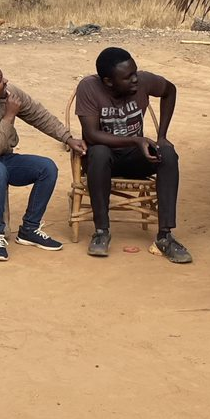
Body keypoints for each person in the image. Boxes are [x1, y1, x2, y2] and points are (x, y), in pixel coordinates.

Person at [0, 62, 87, 261]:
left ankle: (30, 229)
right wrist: (9, 116)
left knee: (47, 168)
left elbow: (38, 115)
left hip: (3, 160)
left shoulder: (8, 94)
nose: (6, 81)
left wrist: (67, 138)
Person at [74, 47, 191, 263]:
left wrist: (162, 135)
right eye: (128, 77)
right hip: (104, 159)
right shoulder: (89, 88)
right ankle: (101, 232)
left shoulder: (143, 82)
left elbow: (170, 90)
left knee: (167, 153)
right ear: (108, 81)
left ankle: (165, 236)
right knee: (98, 153)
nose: (135, 79)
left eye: (135, 72)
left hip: (137, 157)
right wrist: (136, 140)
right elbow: (92, 134)